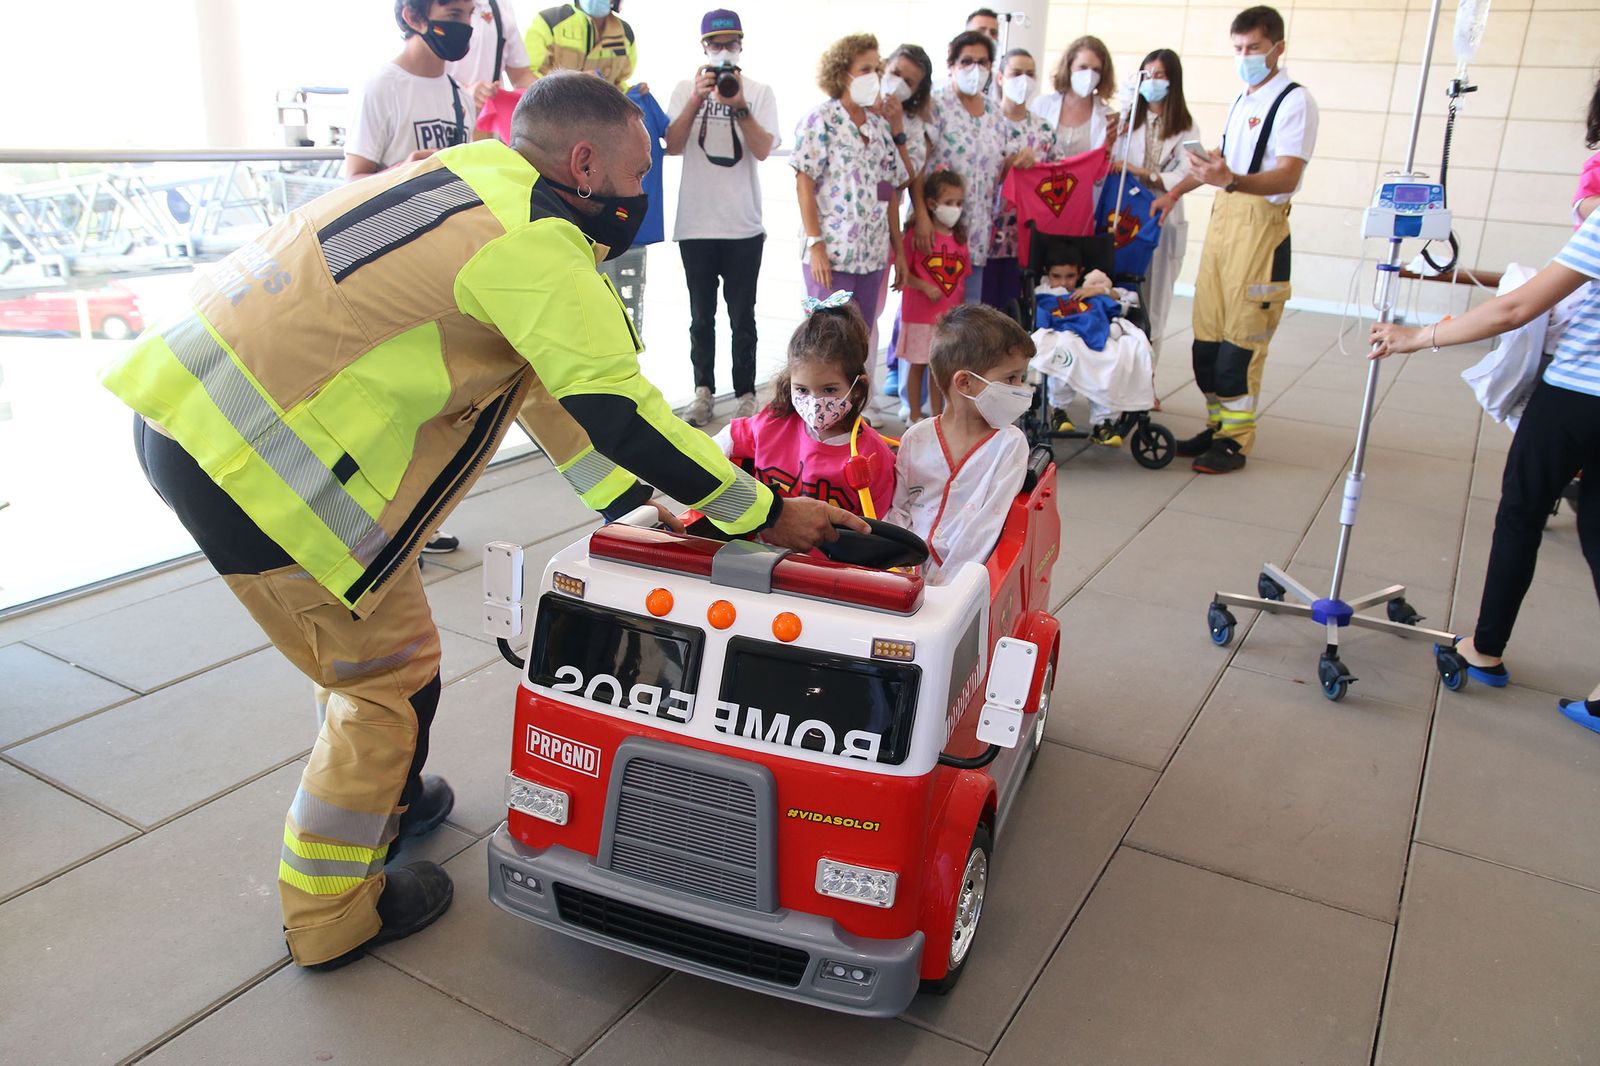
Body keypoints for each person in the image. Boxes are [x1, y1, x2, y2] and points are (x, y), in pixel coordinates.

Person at [101, 72, 864, 972]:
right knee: (387, 680)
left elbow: (538, 383)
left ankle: (390, 793)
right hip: (255, 467)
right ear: (584, 163)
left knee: (371, 644)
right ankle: (333, 913)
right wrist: (764, 513)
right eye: (634, 177)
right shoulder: (540, 246)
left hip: (190, 409)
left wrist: (630, 507)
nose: (639, 199)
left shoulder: (475, 180)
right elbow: (618, 409)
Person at [1369, 208, 1600, 736]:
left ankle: (1484, 649)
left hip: (1577, 398)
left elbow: (1514, 309)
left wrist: (1420, 336)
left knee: (1521, 515)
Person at [1157, 5, 1317, 474]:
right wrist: (1175, 193)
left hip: (1260, 234)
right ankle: (1217, 425)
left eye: (1253, 48)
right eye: (1238, 49)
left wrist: (1232, 182)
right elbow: (1219, 162)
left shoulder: (1294, 101)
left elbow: (1288, 172)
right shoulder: (1242, 98)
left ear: (1278, 48)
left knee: (1239, 351)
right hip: (1225, 226)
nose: (1244, 57)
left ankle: (1236, 440)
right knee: (1205, 346)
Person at [667, 9, 781, 427]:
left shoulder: (758, 91)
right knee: (701, 317)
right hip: (696, 223)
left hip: (743, 225)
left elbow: (764, 149)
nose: (722, 51)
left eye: (730, 43)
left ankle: (747, 395)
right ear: (703, 48)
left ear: (741, 46)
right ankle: (703, 393)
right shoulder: (685, 90)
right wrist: (698, 99)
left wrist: (740, 107)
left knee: (742, 316)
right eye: (715, 44)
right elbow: (673, 144)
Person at [886, 304, 1033, 585]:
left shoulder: (1009, 444)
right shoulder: (916, 438)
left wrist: (946, 588)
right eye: (1011, 378)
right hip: (905, 578)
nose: (1020, 389)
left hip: (960, 587)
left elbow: (986, 528)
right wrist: (898, 567)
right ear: (965, 382)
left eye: (1021, 378)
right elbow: (899, 509)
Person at [714, 294, 895, 517]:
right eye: (801, 390)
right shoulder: (772, 423)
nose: (814, 403)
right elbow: (726, 440)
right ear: (789, 381)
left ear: (857, 387)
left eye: (829, 390)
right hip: (763, 547)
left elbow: (883, 526)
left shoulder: (872, 455)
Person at [792, 34, 909, 335]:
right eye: (864, 69)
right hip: (831, 256)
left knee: (860, 342)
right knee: (826, 342)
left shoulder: (880, 127)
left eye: (876, 70)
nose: (874, 77)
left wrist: (900, 253)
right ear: (842, 73)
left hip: (872, 257)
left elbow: (891, 194)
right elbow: (804, 183)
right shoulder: (820, 120)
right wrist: (816, 244)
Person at [1118, 48, 1199, 366]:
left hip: (1164, 212)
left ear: (1173, 81)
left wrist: (1148, 174)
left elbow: (1189, 171)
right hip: (1128, 213)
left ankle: (1148, 376)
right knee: (1126, 290)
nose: (1152, 82)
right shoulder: (1128, 120)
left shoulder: (1186, 127)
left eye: (1160, 75)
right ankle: (1122, 372)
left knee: (1157, 299)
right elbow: (1115, 161)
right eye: (1147, 74)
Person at [1031, 250, 1155, 444]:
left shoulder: (1088, 290)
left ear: (1079, 273)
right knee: (1061, 350)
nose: (1064, 283)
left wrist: (1101, 291)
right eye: (1057, 276)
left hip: (1096, 335)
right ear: (1047, 274)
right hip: (1063, 332)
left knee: (1117, 356)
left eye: (1070, 276)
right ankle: (1058, 411)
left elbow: (1130, 300)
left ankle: (1105, 421)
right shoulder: (1042, 292)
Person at [346, 0, 479, 180]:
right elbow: (351, 182)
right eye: (454, 15)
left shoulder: (461, 95)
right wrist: (405, 171)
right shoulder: (380, 88)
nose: (465, 25)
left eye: (469, 14)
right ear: (413, 18)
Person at [927, 30, 1008, 304]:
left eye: (983, 62)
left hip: (976, 232)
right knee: (928, 317)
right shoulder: (936, 105)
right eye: (967, 61)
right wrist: (923, 220)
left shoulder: (995, 113)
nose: (976, 69)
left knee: (967, 321)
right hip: (936, 230)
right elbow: (916, 167)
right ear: (952, 65)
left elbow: (998, 171)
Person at [878, 43, 936, 408]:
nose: (899, 84)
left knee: (870, 318)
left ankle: (860, 402)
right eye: (896, 73)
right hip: (839, 235)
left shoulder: (913, 128)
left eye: (909, 82)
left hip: (884, 227)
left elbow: (908, 176)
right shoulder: (852, 109)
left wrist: (897, 127)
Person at [986, 47, 1057, 314]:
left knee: (1013, 313)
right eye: (1017, 73)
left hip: (1025, 238)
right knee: (981, 312)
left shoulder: (1044, 130)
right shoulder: (987, 121)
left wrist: (1036, 168)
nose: (1023, 80)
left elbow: (1057, 180)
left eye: (1030, 74)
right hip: (986, 235)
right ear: (1001, 77)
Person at [899, 168, 971, 420]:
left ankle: (937, 417)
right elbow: (903, 273)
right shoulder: (915, 235)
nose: (955, 208)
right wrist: (924, 286)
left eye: (959, 203)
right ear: (931, 203)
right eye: (949, 202)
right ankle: (915, 415)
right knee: (918, 364)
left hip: (947, 319)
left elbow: (962, 277)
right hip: (920, 315)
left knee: (940, 369)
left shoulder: (960, 238)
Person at [1030, 36, 1119, 162]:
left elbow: (1105, 163)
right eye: (1083, 67)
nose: (1089, 75)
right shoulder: (1042, 105)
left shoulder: (1106, 116)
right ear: (1069, 67)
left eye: (1096, 70)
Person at [524, 0, 637, 87]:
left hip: (600, 114)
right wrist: (573, 82)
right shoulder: (549, 21)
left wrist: (635, 92)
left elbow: (619, 83)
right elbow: (527, 77)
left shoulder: (625, 34)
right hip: (554, 112)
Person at [447, 0, 534, 111]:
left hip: (488, 121)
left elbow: (521, 75)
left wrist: (550, 97)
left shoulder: (501, 6)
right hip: (442, 116)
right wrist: (462, 92)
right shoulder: (432, 6)